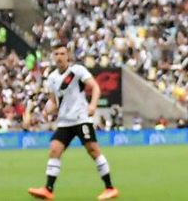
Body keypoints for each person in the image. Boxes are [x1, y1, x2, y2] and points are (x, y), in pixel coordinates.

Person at [26, 43, 119, 200]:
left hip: (81, 119)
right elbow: (53, 102)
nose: (59, 57)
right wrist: (45, 111)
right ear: (52, 57)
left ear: (67, 55)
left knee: (93, 151)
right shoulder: (52, 78)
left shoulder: (77, 71)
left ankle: (110, 188)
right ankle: (48, 189)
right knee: (54, 150)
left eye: (62, 54)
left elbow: (95, 87)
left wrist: (93, 105)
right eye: (56, 54)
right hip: (64, 121)